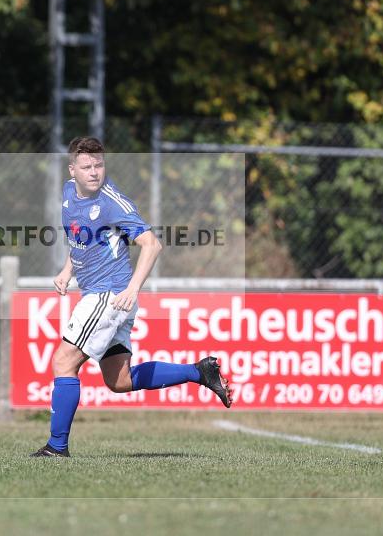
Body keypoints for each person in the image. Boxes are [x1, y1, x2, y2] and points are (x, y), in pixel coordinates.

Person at [31, 136, 232, 458]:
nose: (94, 172)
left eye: (99, 165)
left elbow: (152, 245)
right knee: (119, 380)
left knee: (63, 362)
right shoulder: (69, 193)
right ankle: (199, 372)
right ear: (73, 170)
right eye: (86, 166)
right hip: (105, 294)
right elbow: (82, 238)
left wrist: (132, 289)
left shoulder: (113, 203)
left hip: (109, 295)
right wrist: (67, 270)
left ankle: (56, 447)